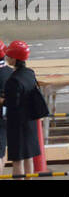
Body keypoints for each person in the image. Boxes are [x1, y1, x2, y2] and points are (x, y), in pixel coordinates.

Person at [3, 41, 43, 178]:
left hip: (17, 124)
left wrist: (2, 100)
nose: (6, 57)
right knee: (28, 157)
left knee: (18, 160)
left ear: (14, 58)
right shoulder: (30, 73)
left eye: (8, 55)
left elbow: (11, 103)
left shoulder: (13, 80)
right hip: (30, 122)